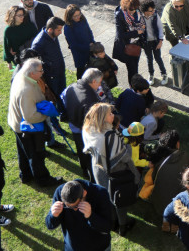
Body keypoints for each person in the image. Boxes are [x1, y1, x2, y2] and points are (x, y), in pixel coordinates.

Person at [82, 103, 139, 235]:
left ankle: (112, 221)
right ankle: (123, 225)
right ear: (102, 117)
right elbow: (124, 156)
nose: (113, 115)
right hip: (116, 171)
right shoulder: (109, 135)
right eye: (110, 114)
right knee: (119, 198)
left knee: (107, 196)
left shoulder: (88, 128)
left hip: (98, 167)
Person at [7, 58, 64, 187]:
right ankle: (43, 179)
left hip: (16, 123)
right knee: (36, 155)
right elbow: (30, 117)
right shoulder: (27, 90)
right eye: (40, 70)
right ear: (32, 73)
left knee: (23, 151)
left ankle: (26, 175)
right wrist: (46, 114)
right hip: (28, 127)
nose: (42, 72)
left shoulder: (21, 75)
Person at [61, 68, 113, 182]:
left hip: (73, 124)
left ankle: (84, 169)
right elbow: (93, 122)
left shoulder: (72, 86)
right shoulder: (90, 100)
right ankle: (92, 176)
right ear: (94, 81)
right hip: (83, 129)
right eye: (99, 82)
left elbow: (63, 98)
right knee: (89, 154)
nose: (100, 85)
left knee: (80, 149)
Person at [141, 130, 189, 231]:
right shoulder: (184, 157)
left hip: (159, 204)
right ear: (177, 144)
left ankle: (165, 223)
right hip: (178, 206)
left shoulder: (157, 161)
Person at [45, 180, 114, 251]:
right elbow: (49, 225)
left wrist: (91, 216)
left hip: (99, 248)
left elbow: (107, 228)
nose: (74, 210)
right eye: (67, 206)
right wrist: (53, 216)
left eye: (76, 206)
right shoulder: (59, 192)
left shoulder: (100, 193)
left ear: (84, 193)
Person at [31, 16, 67, 98]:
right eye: (59, 30)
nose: (61, 32)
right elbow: (34, 62)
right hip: (51, 77)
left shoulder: (54, 36)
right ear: (50, 30)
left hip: (60, 72)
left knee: (63, 94)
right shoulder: (39, 43)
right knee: (55, 97)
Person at [141, 0, 169, 86]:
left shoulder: (155, 15)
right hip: (146, 42)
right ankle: (151, 75)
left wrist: (160, 41)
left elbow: (160, 28)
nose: (153, 11)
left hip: (155, 41)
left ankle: (164, 74)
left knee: (158, 58)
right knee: (149, 59)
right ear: (145, 11)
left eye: (153, 9)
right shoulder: (139, 17)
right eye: (151, 10)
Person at [63, 4, 95, 79]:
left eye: (79, 14)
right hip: (79, 54)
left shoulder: (82, 19)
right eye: (75, 16)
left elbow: (89, 31)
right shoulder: (68, 27)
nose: (78, 17)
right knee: (81, 73)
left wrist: (92, 42)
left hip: (90, 48)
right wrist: (88, 47)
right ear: (70, 16)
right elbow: (73, 45)